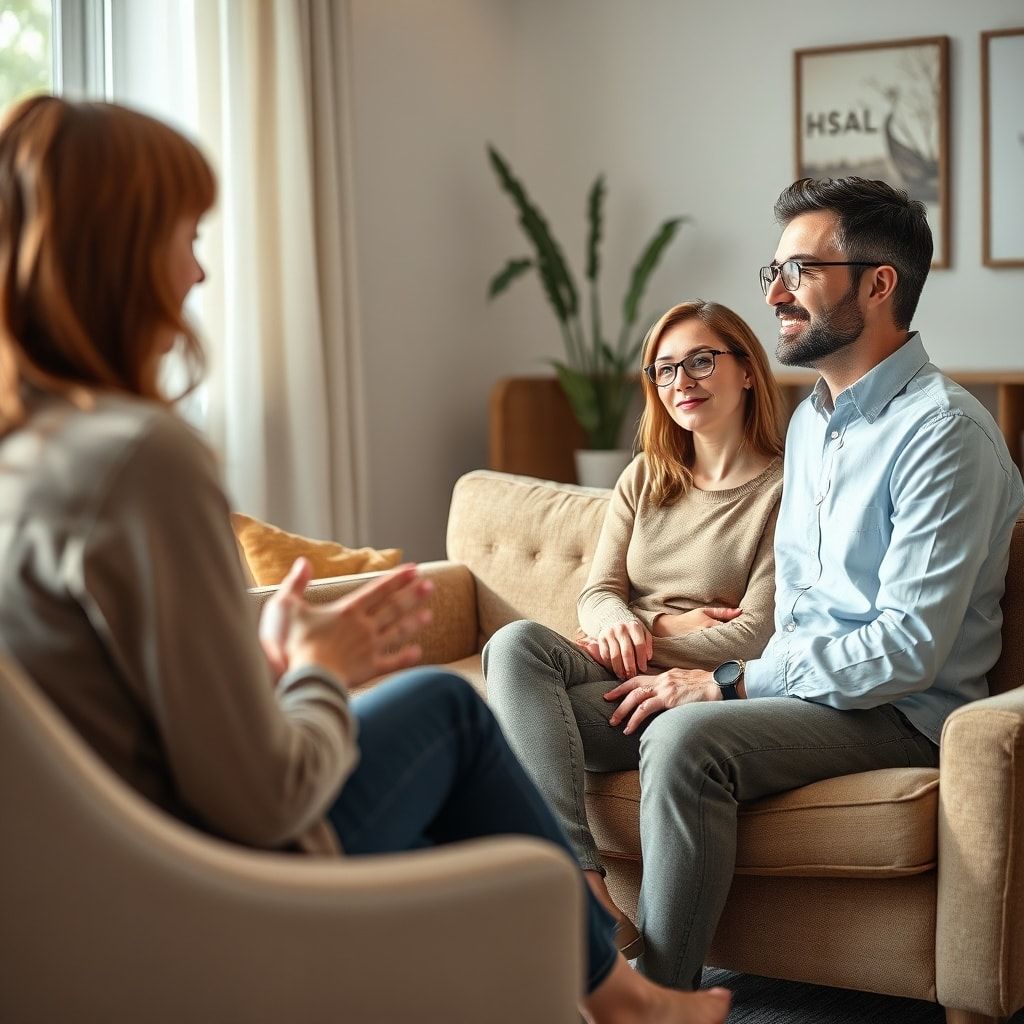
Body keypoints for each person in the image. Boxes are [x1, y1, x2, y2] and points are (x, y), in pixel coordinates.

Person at [0, 95, 731, 1024]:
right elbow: (264, 799)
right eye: (184, 233)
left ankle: (598, 982)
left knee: (454, 744)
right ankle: (622, 994)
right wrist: (315, 673)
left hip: (93, 882)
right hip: (204, 884)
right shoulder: (142, 456)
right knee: (443, 711)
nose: (198, 268)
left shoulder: (28, 455)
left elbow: (114, 709)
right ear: (118, 252)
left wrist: (260, 658)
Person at [546, 175, 1021, 991]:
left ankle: (658, 997)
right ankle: (577, 905)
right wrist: (702, 662)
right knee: (530, 689)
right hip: (797, 697)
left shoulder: (944, 435)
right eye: (773, 271)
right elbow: (791, 610)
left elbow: (907, 650)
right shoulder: (813, 423)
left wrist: (728, 681)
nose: (774, 293)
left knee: (683, 734)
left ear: (879, 284)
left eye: (799, 271)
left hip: (897, 714)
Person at [483, 299, 785, 959]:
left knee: (524, 713)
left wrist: (651, 637)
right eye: (665, 369)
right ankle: (582, 885)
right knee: (512, 646)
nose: (683, 381)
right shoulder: (645, 476)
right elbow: (597, 594)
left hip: (700, 690)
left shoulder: (786, 489)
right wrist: (648, 619)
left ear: (747, 372)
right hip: (623, 668)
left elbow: (756, 635)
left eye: (702, 360)